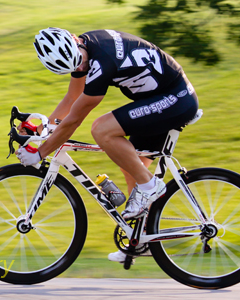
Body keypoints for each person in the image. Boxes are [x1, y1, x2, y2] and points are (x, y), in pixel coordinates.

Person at [16, 27, 199, 263]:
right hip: (160, 99)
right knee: (130, 162)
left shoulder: (102, 61)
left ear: (74, 40)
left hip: (175, 98)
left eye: (80, 64)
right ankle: (141, 237)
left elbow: (74, 119)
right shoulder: (84, 47)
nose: (81, 69)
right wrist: (44, 129)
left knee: (101, 129)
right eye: (74, 69)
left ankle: (150, 187)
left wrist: (41, 152)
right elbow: (72, 99)